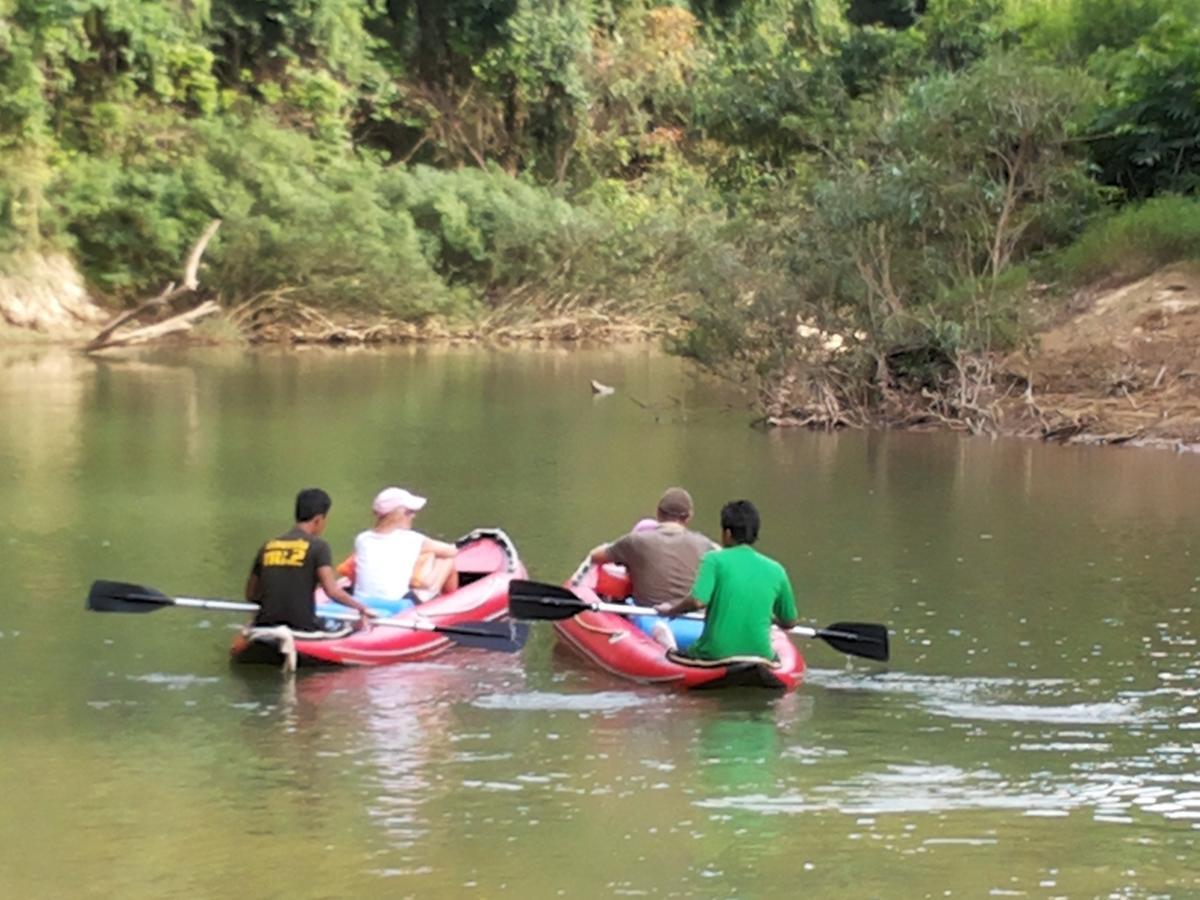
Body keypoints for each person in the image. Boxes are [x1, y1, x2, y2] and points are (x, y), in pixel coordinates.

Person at [654, 499, 798, 660]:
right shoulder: (776, 569)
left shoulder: (713, 559)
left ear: (727, 533)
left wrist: (671, 610)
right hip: (762, 655)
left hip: (712, 654)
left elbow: (697, 601)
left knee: (661, 636)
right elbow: (790, 622)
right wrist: (771, 619)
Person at [246, 487, 373, 631]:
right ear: (318, 520)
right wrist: (362, 608)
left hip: (265, 624)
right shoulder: (319, 547)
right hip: (302, 626)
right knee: (347, 628)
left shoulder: (268, 546)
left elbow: (251, 594)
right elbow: (332, 591)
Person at [588, 487, 717, 606]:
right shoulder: (705, 545)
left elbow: (595, 556)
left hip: (649, 613)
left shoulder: (635, 541)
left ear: (658, 512)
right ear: (689, 517)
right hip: (694, 617)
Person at [352, 486, 459, 608]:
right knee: (447, 559)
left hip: (361, 602)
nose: (413, 516)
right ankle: (451, 602)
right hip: (397, 605)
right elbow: (451, 551)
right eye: (409, 512)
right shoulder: (413, 539)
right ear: (398, 515)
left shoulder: (362, 539)